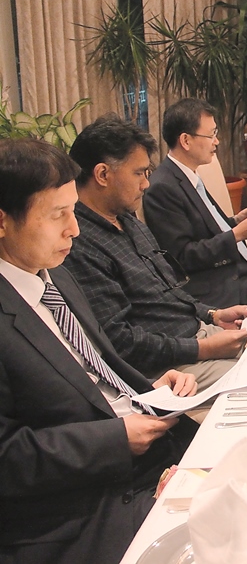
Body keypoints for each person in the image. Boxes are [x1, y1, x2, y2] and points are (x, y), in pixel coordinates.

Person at [0, 138, 198, 564]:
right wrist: (114, 440)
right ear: (2, 222)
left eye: (73, 211)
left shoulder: (54, 275)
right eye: (58, 215)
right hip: (82, 508)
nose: (74, 228)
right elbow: (7, 456)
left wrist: (148, 388)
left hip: (146, 451)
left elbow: (96, 369)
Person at [64, 116, 247, 390]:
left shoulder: (126, 219)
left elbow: (167, 290)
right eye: (138, 173)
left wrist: (212, 314)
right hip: (170, 365)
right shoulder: (79, 243)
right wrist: (202, 348)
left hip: (196, 335)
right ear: (103, 174)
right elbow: (120, 341)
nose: (146, 185)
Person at [143, 98, 247, 306]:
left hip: (239, 270)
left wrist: (236, 221)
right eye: (211, 135)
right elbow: (183, 257)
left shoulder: (188, 175)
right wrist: (238, 234)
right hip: (219, 288)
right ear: (185, 141)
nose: (217, 141)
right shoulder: (162, 188)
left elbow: (205, 229)